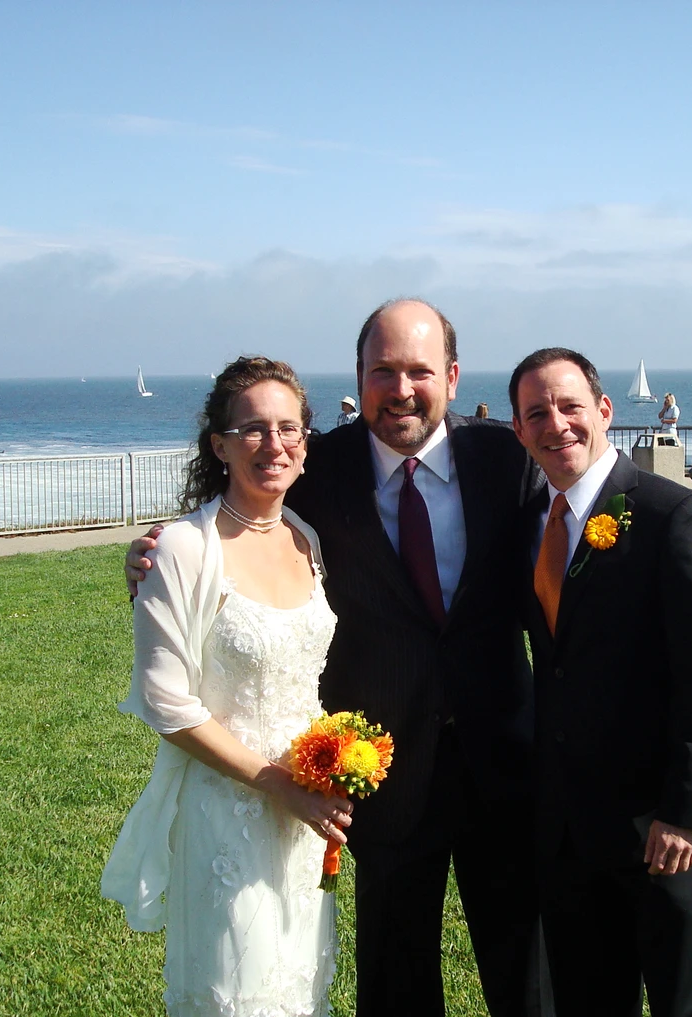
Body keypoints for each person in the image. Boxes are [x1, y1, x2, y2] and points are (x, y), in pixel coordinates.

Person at [127, 300, 547, 1017]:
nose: (401, 388)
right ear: (359, 375)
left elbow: (566, 553)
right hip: (380, 773)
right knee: (394, 978)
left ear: (450, 374)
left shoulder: (505, 460)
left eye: (419, 370)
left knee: (529, 976)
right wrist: (146, 558)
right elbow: (233, 536)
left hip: (500, 760)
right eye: (382, 370)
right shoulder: (316, 472)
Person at [103, 357, 345, 1016]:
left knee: (301, 986)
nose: (274, 444)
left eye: (289, 427)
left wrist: (326, 771)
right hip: (226, 816)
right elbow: (165, 702)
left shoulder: (308, 539)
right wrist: (273, 781)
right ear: (219, 443)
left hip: (305, 820)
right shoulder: (181, 548)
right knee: (236, 994)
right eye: (253, 429)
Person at [509, 347, 692, 1017]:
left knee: (680, 998)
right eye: (536, 414)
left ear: (604, 411)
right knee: (586, 996)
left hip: (657, 821)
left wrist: (686, 810)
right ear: (521, 432)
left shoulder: (676, 517)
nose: (557, 424)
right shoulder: (532, 526)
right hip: (566, 824)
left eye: (570, 406)